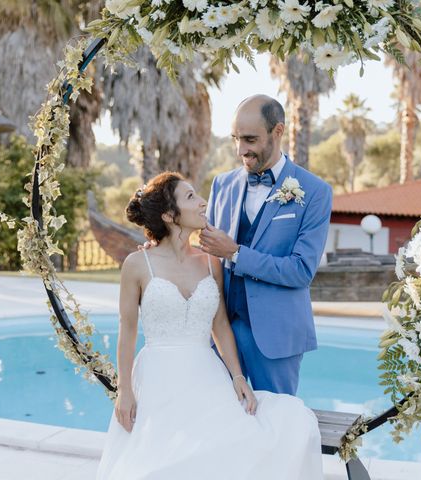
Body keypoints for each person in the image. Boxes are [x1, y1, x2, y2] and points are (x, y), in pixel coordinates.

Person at [96, 172, 323, 479]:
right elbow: (127, 331)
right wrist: (124, 390)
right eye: (190, 197)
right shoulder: (137, 265)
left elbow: (220, 324)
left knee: (277, 428)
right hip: (157, 377)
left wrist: (238, 376)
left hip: (206, 373)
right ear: (168, 215)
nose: (203, 202)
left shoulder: (209, 262)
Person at [199, 95, 333, 395]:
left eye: (250, 139)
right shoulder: (222, 185)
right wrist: (159, 249)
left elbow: (301, 271)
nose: (240, 150)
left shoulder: (314, 192)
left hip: (276, 336)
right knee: (216, 418)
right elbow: (203, 250)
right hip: (220, 333)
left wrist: (235, 252)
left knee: (277, 424)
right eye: (235, 139)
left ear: (278, 131)